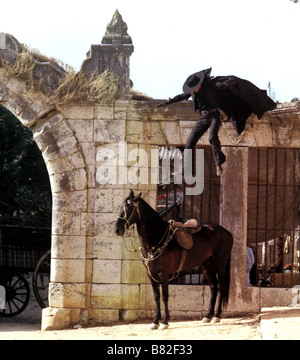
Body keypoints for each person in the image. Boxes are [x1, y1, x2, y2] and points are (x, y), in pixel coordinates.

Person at [158, 68, 277, 176]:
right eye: (193, 89)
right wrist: (168, 102)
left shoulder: (211, 86)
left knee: (212, 137)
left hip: (213, 116)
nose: (195, 90)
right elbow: (182, 96)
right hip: (202, 118)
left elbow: (221, 85)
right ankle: (186, 169)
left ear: (200, 84)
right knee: (189, 143)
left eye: (197, 87)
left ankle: (219, 164)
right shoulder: (194, 91)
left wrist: (229, 83)